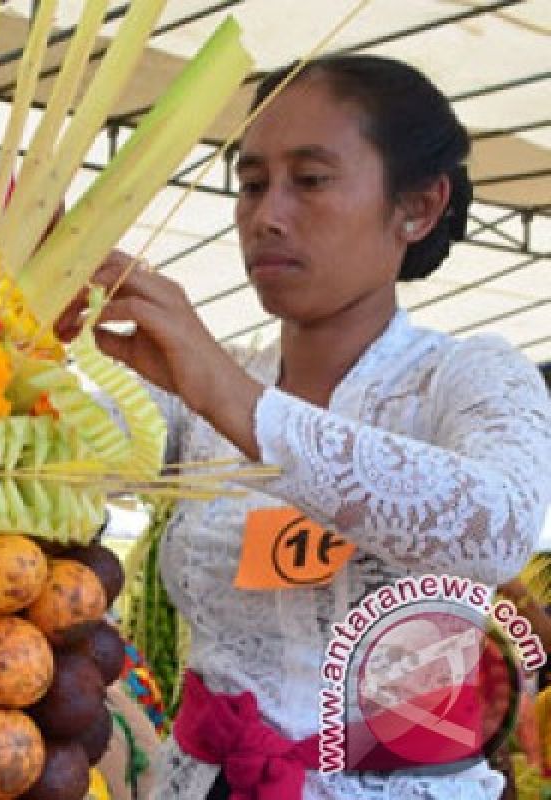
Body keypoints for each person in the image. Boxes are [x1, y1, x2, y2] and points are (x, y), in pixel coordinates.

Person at [61, 55, 551, 798]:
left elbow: (498, 527)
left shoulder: (468, 376)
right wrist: (5, 328)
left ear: (416, 207)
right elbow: (52, 450)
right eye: (251, 184)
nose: (267, 214)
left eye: (310, 180)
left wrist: (235, 399)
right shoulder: (200, 382)